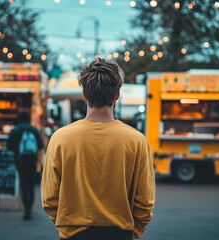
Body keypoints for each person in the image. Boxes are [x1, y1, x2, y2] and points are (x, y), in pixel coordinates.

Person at [41, 58, 156, 240]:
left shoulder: (60, 138)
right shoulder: (137, 141)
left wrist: (66, 226)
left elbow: (49, 198)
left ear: (85, 94)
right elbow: (145, 200)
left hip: (74, 234)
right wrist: (133, 231)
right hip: (119, 233)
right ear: (117, 95)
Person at [7, 111, 44, 220]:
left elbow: (9, 146)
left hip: (21, 160)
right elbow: (41, 145)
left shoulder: (16, 130)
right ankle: (30, 207)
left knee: (23, 184)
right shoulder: (34, 129)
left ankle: (26, 208)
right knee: (31, 184)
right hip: (32, 161)